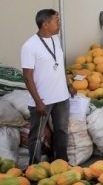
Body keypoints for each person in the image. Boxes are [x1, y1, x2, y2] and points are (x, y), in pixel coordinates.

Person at [21, 9, 74, 163]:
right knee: (36, 135)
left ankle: (62, 162)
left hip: (61, 96)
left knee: (62, 131)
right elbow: (27, 76)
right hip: (43, 99)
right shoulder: (30, 46)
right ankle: (34, 167)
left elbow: (58, 64)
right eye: (56, 21)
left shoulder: (55, 39)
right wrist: (38, 101)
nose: (59, 24)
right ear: (45, 24)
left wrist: (68, 84)